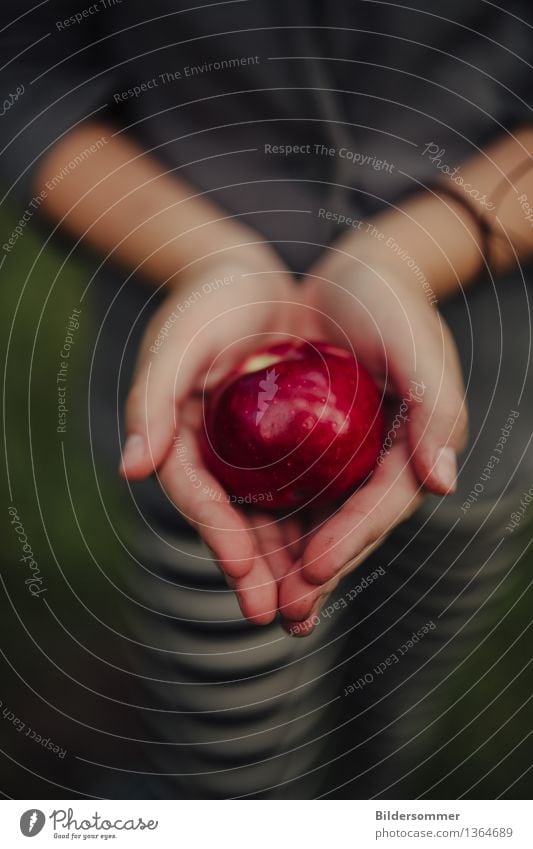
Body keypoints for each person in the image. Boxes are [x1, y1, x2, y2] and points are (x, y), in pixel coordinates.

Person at [1, 0, 532, 798]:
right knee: (231, 744)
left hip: (488, 375)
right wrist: (206, 260)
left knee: (394, 692)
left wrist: (421, 250)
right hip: (192, 359)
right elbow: (24, 76)